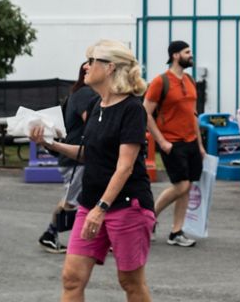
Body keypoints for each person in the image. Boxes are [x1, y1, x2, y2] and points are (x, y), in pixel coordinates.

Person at [29, 40, 154, 302]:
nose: (85, 66)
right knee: (72, 278)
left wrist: (101, 208)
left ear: (109, 68)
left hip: (126, 206)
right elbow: (89, 154)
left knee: (131, 282)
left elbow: (125, 166)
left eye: (92, 61)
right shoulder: (98, 106)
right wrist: (48, 143)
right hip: (91, 204)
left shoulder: (132, 109)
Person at [144, 41, 205, 248]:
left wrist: (200, 145)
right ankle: (149, 217)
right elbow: (146, 113)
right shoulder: (160, 82)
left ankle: (176, 232)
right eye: (187, 52)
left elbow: (192, 114)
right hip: (172, 142)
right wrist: (161, 141)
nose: (191, 55)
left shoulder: (189, 79)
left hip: (191, 141)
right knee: (181, 185)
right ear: (176, 55)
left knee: (186, 188)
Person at [39, 63, 101, 253]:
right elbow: (91, 122)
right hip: (76, 156)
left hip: (75, 155)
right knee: (72, 199)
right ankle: (50, 233)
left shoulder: (81, 92)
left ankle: (98, 236)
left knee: (83, 197)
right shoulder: (85, 94)